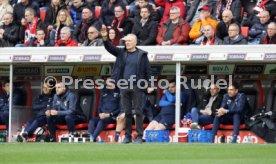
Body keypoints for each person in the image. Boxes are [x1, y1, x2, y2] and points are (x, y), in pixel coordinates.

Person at [101, 26, 153, 144]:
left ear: (135, 42)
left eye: (129, 41)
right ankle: (127, 136)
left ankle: (139, 136)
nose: (127, 43)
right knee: (127, 112)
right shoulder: (121, 53)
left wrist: (150, 84)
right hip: (124, 86)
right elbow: (109, 47)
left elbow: (148, 72)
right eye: (125, 41)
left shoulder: (142, 55)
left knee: (138, 111)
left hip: (138, 86)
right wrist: (104, 37)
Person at [88, 77, 121, 142]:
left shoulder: (119, 92)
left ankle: (93, 137)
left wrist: (109, 114)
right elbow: (99, 105)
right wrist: (100, 113)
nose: (109, 83)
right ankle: (90, 136)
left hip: (112, 117)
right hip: (102, 115)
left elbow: (120, 108)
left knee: (101, 122)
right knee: (92, 121)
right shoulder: (104, 92)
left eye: (111, 82)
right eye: (108, 82)